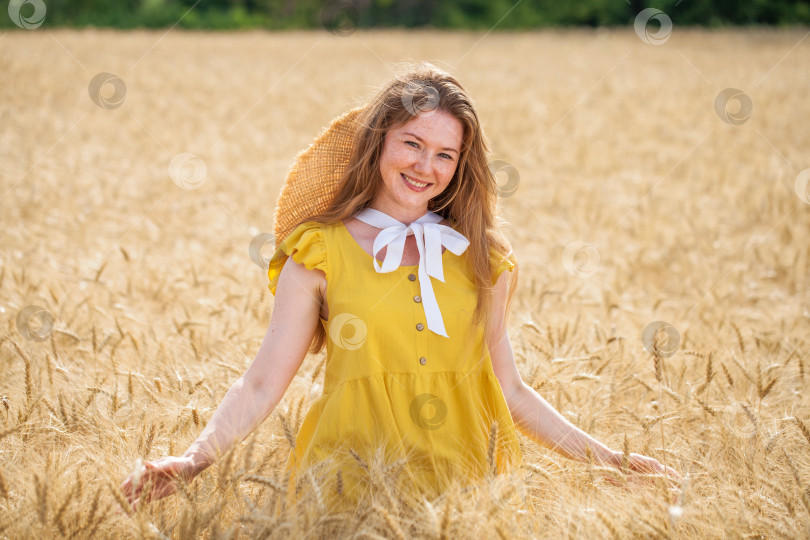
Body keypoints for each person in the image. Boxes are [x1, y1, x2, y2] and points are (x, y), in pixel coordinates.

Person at [120, 62, 681, 512]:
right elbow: (263, 383)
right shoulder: (318, 252)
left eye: (445, 154)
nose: (425, 167)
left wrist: (610, 459)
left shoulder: (482, 259)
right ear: (379, 144)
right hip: (345, 488)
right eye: (412, 144)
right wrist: (194, 460)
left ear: (460, 167)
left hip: (466, 490)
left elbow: (509, 393)